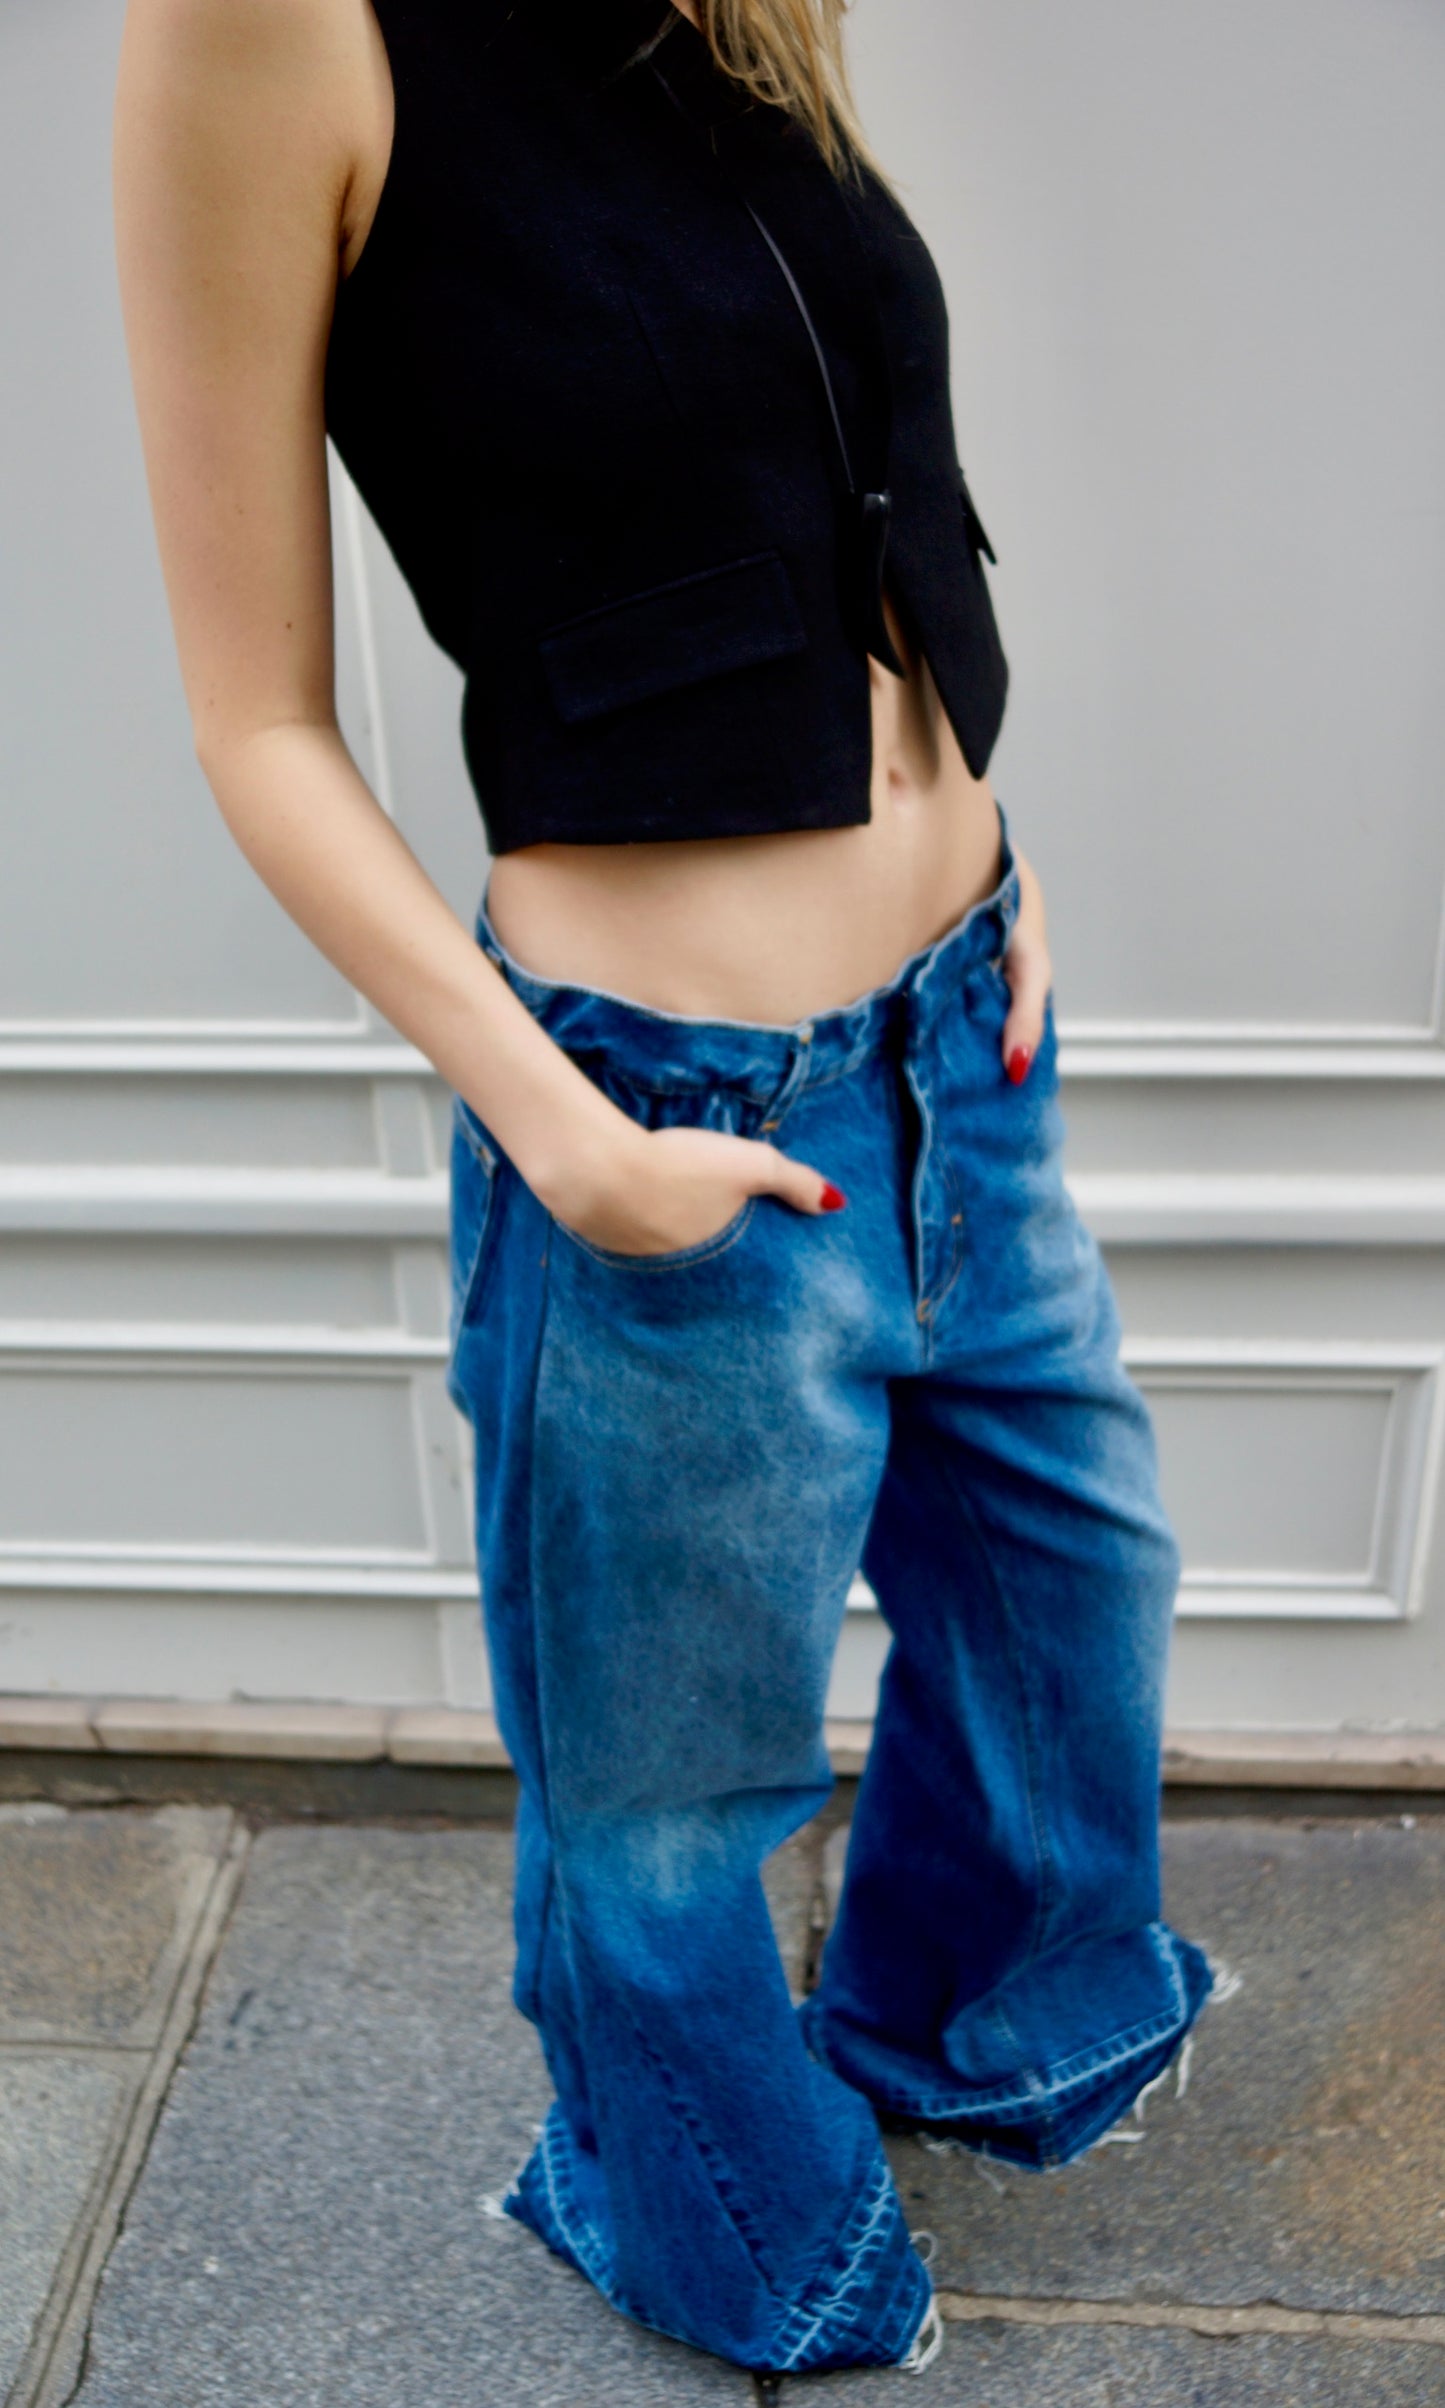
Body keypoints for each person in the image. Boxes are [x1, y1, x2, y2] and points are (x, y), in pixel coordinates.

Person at [114, 0, 1215, 2376]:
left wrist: (992, 837)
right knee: (665, 1787)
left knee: (1073, 1595)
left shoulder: (734, 7)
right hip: (663, 1100)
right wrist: (560, 1127)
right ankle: (710, 2214)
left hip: (957, 1043)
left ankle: (956, 2024)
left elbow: (839, 467)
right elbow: (254, 715)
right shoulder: (267, 24)